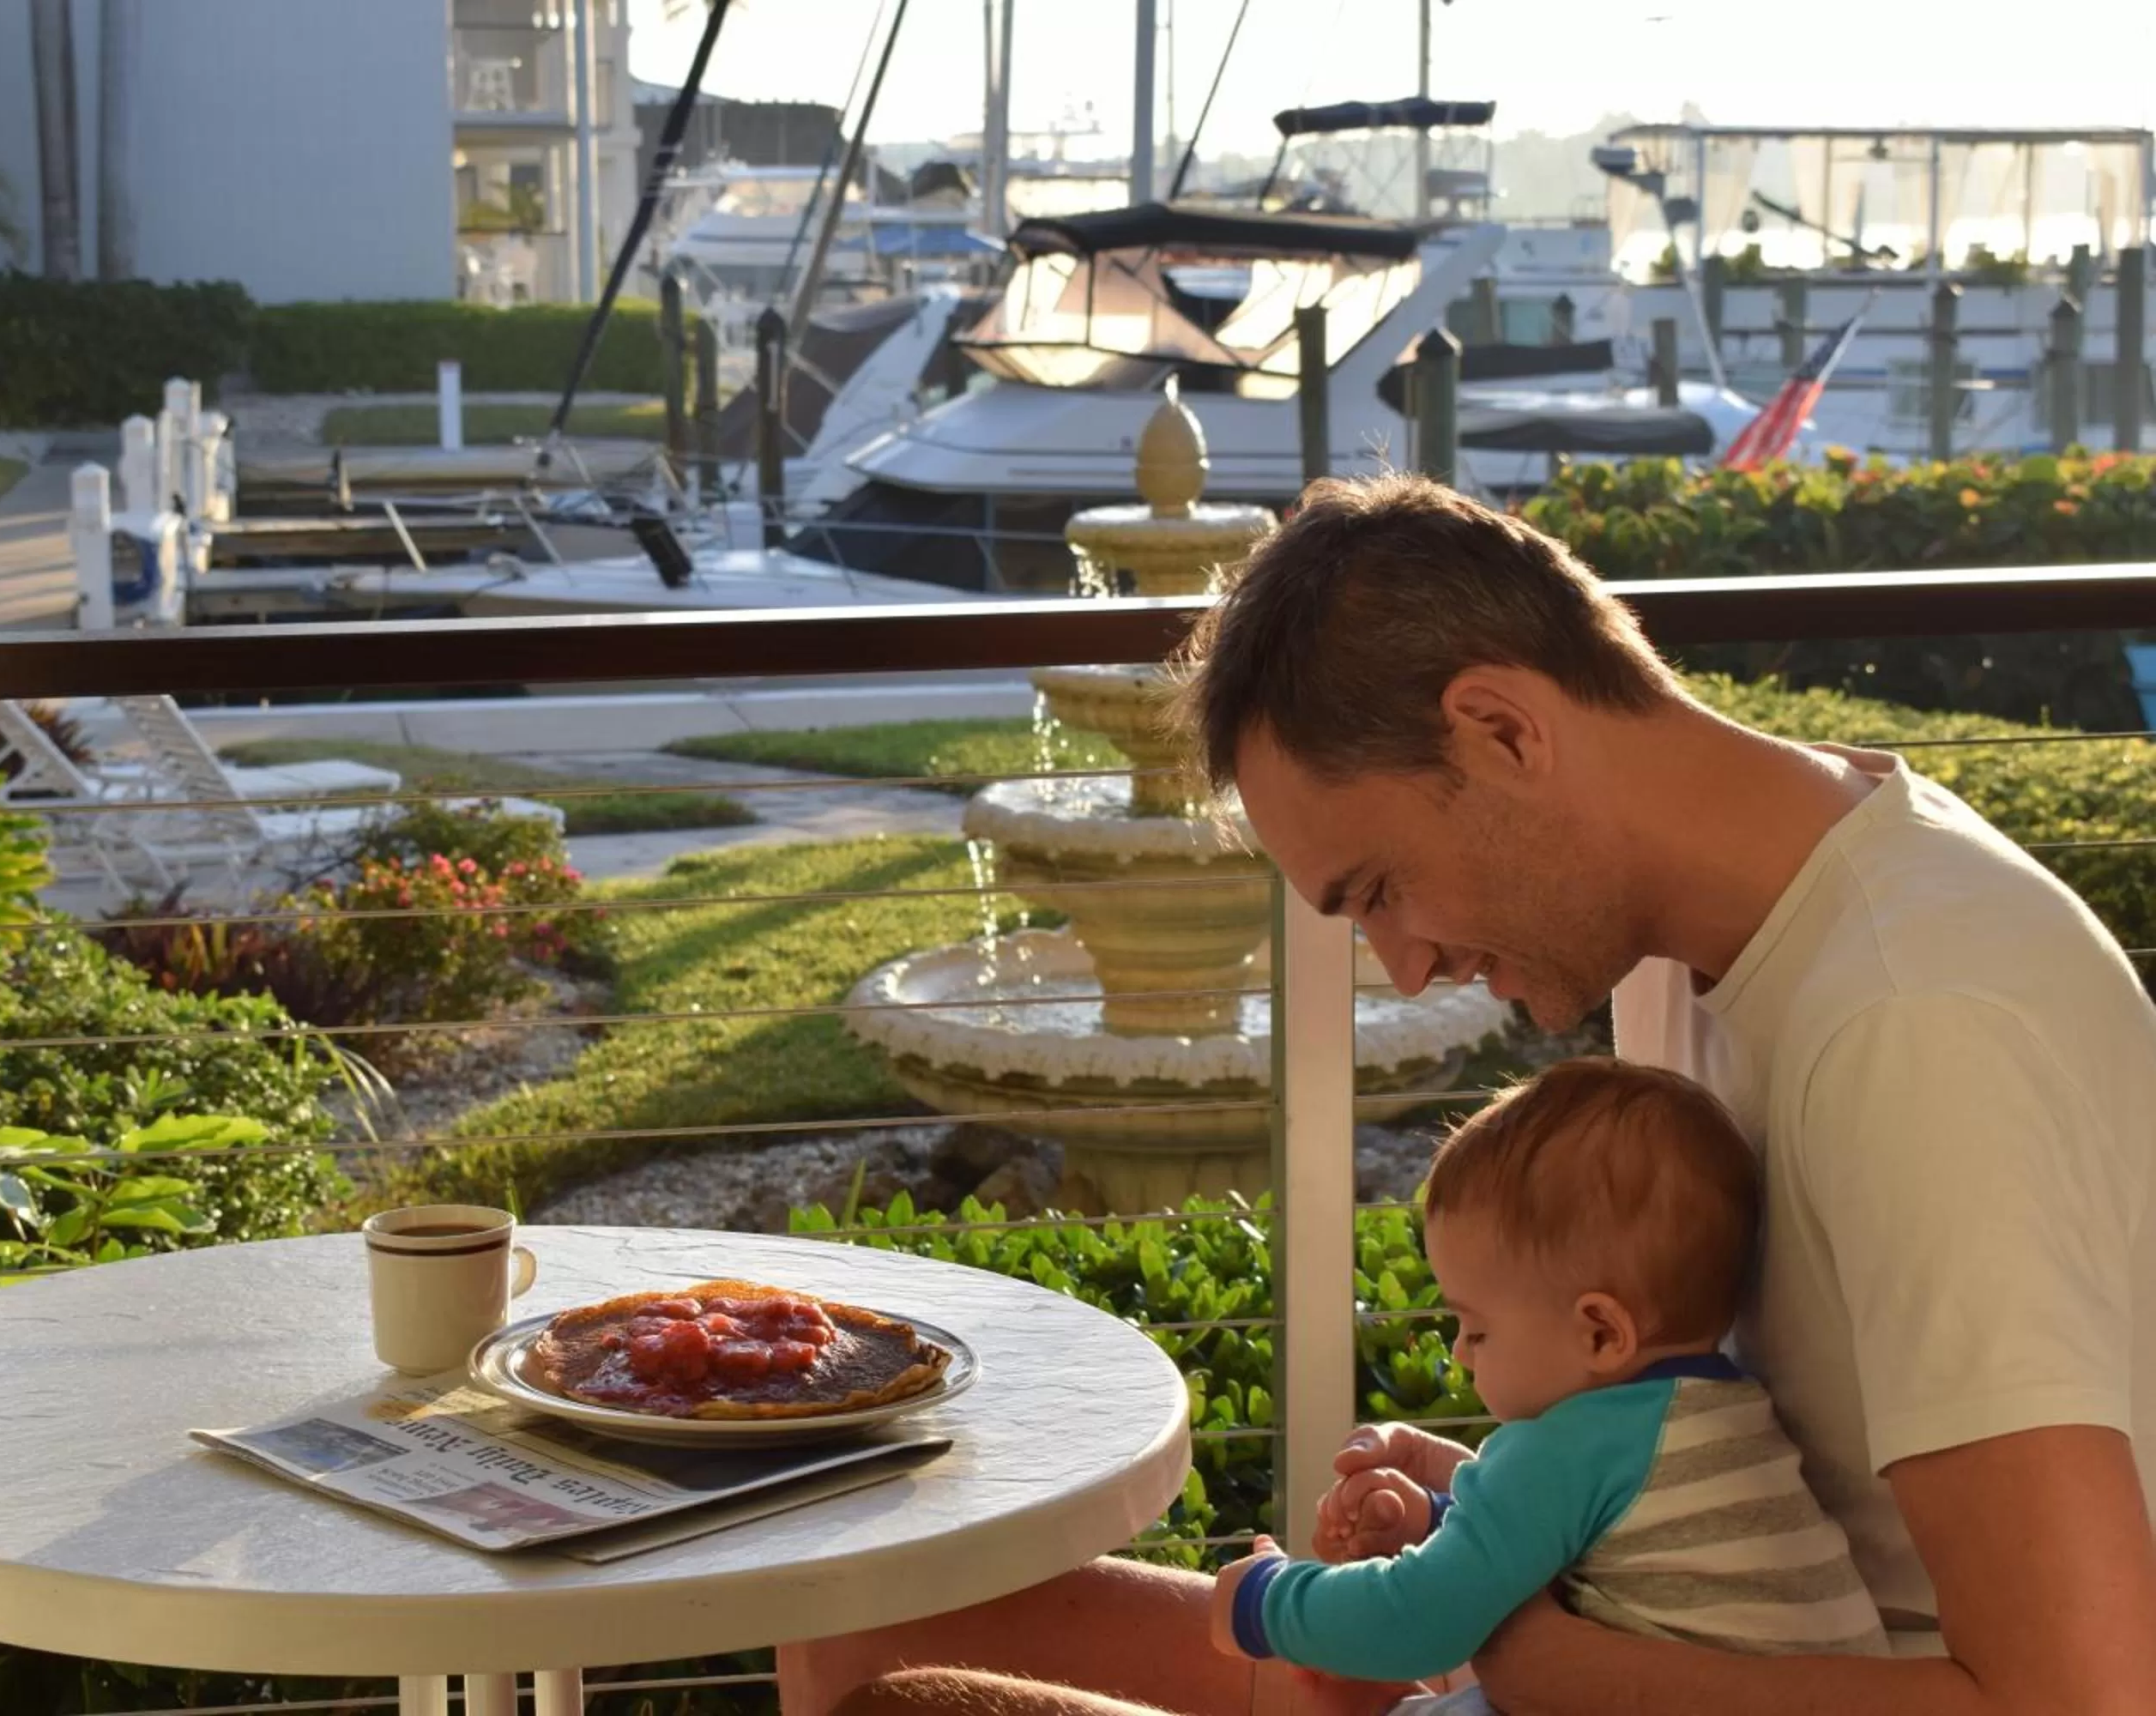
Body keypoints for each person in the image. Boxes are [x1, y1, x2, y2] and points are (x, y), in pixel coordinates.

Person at [781, 474, 2156, 1716]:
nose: (1405, 964)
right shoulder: (1701, 946)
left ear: (1501, 728)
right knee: (852, 1627)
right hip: (1654, 1653)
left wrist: (1544, 1660)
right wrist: (1497, 1497)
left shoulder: (1917, 1026)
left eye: (1380, 888)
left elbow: (2082, 1695)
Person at [1213, 1058, 1887, 1716]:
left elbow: (1420, 1618)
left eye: (1477, 1329)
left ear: (1600, 1333)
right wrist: (1442, 1519)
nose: (1461, 1353)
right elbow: (1597, 1551)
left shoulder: (1570, 1448)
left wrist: (1261, 1602)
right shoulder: (1727, 1415)